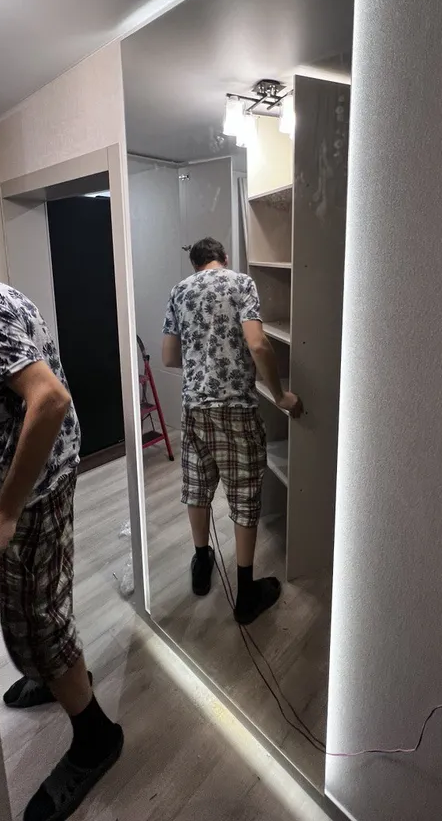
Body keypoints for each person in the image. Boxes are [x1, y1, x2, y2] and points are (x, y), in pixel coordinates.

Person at [0, 228, 123, 821]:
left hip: (30, 492)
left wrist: (4, 513)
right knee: (43, 604)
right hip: (46, 474)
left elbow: (50, 398)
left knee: (34, 621)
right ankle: (53, 673)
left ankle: (95, 737)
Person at [162, 236, 302, 625]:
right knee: (243, 495)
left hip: (194, 407)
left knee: (197, 485)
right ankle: (245, 594)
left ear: (195, 264)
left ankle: (201, 562)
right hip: (236, 408)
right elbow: (257, 344)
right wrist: (280, 395)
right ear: (223, 258)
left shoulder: (179, 291)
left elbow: (169, 356)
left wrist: (202, 360)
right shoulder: (241, 283)